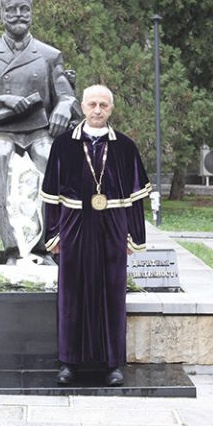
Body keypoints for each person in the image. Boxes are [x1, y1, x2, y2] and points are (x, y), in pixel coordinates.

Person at [40, 85, 151, 386]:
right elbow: (50, 197)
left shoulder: (125, 147)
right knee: (72, 296)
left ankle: (112, 363)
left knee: (111, 294)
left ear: (111, 108)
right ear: (82, 106)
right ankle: (68, 363)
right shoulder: (63, 145)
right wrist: (53, 235)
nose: (98, 110)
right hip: (74, 226)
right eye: (92, 104)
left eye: (103, 105)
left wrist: (133, 237)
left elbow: (136, 198)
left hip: (112, 227)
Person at [0, 0, 77, 265]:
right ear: (1, 15)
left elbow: (67, 96)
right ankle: (12, 247)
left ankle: (41, 247)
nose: (18, 15)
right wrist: (3, 99)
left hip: (39, 130)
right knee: (1, 153)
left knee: (48, 155)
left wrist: (64, 105)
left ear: (32, 13)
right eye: (11, 9)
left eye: (23, 9)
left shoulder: (50, 55)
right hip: (2, 132)